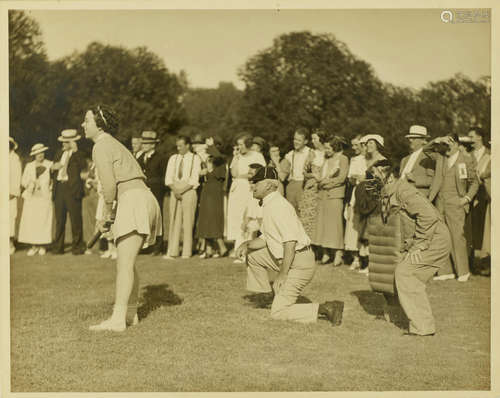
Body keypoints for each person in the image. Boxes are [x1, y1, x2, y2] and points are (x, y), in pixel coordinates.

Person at [83, 105, 162, 332]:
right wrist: (113, 214)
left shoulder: (100, 146)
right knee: (127, 261)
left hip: (134, 199)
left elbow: (108, 186)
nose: (83, 125)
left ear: (100, 124)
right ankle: (129, 314)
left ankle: (118, 320)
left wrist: (106, 214)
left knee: (124, 263)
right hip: (143, 198)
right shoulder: (115, 144)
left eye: (87, 121)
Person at [236, 166, 344, 325]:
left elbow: (290, 243)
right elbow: (266, 238)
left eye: (256, 182)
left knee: (278, 313)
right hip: (290, 258)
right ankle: (268, 295)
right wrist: (247, 244)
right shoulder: (269, 203)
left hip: (299, 263)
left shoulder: (278, 206)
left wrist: (282, 274)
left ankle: (327, 308)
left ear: (268, 185)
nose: (252, 185)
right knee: (253, 255)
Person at [370, 159, 451, 336]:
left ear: (390, 176)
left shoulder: (404, 190)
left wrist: (420, 244)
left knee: (407, 274)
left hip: (434, 239)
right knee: (396, 270)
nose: (373, 179)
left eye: (376, 175)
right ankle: (397, 315)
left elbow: (428, 216)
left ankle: (423, 327)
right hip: (419, 239)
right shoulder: (388, 191)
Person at [425, 134, 479, 282]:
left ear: (456, 144)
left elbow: (475, 182)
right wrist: (437, 140)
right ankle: (445, 271)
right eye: (445, 144)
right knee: (441, 237)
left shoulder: (465, 160)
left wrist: (466, 198)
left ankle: (463, 272)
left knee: (457, 237)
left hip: (456, 202)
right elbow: (426, 150)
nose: (446, 147)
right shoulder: (441, 157)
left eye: (449, 144)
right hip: (439, 202)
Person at [227, 134, 266, 258]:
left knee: (249, 217)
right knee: (237, 217)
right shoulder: (237, 157)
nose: (239, 147)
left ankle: (250, 246)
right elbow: (234, 173)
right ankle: (237, 246)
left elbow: (260, 172)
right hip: (237, 190)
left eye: (241, 145)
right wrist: (236, 158)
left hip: (250, 189)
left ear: (248, 145)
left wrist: (245, 177)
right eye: (237, 144)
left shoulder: (257, 156)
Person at [312, 136, 349, 266]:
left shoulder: (343, 159)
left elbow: (342, 178)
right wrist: (320, 180)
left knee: (335, 226)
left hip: (334, 195)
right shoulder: (325, 160)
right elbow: (319, 176)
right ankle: (326, 252)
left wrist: (328, 182)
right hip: (322, 195)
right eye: (326, 148)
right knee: (324, 225)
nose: (326, 150)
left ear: (335, 147)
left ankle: (338, 253)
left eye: (328, 148)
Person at [163, 135, 201, 259]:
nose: (178, 148)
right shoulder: (173, 158)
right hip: (175, 190)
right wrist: (175, 190)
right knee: (174, 220)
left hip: (188, 190)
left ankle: (187, 251)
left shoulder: (195, 158)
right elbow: (168, 178)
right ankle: (172, 251)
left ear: (187, 145)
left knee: (188, 221)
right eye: (177, 146)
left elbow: (194, 179)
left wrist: (182, 190)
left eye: (181, 146)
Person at [51, 129, 88, 255]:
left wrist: (76, 151)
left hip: (73, 190)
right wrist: (53, 168)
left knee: (75, 220)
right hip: (59, 188)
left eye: (66, 142)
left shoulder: (79, 154)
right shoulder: (58, 153)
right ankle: (58, 247)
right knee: (60, 220)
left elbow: (84, 166)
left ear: (72, 142)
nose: (63, 144)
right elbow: (53, 167)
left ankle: (77, 247)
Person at [18, 143, 54, 256]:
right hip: (32, 197)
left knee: (43, 221)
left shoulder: (49, 164)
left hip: (44, 198)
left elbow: (53, 181)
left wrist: (47, 186)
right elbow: (23, 181)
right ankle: (33, 246)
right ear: (34, 154)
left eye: (42, 152)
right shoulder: (29, 166)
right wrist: (31, 183)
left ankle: (42, 246)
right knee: (32, 221)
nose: (40, 155)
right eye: (38, 153)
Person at [137, 131, 167, 255]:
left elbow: (163, 177)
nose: (143, 145)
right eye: (143, 143)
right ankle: (146, 245)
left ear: (153, 145)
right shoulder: (139, 157)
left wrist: (149, 182)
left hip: (156, 192)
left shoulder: (161, 158)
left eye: (146, 143)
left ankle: (158, 246)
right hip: (143, 192)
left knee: (157, 217)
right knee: (144, 218)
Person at [196, 154, 228, 258]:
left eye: (209, 162)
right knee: (206, 220)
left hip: (213, 196)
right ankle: (209, 249)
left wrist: (208, 171)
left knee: (213, 219)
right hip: (206, 195)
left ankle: (222, 247)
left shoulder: (219, 170)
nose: (207, 164)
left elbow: (221, 161)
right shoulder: (207, 173)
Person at [298, 129, 325, 249]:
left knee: (320, 217)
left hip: (323, 188)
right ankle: (307, 246)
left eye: (315, 139)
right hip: (311, 188)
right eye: (312, 139)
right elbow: (304, 172)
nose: (313, 141)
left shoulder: (329, 153)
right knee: (307, 216)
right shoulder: (312, 154)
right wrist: (313, 175)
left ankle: (321, 248)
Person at [344, 134, 367, 270]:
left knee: (363, 228)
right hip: (355, 194)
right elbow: (351, 180)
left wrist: (362, 177)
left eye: (356, 145)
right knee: (353, 228)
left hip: (367, 195)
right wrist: (354, 178)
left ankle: (365, 258)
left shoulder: (371, 159)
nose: (354, 148)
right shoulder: (354, 160)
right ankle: (356, 258)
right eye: (353, 145)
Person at [468, 127, 491, 259]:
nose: (469, 140)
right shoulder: (467, 155)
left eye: (471, 137)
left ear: (479, 137)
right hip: (470, 196)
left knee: (484, 227)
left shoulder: (490, 154)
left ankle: (484, 258)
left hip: (485, 196)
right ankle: (473, 257)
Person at [400, 125, 436, 199]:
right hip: (402, 199)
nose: (410, 140)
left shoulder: (428, 158)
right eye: (409, 138)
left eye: (414, 138)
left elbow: (432, 180)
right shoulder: (404, 160)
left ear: (423, 140)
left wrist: (415, 178)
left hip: (419, 200)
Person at [284, 128, 311, 213]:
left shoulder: (310, 153)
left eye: (299, 140)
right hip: (292, 184)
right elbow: (282, 169)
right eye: (295, 139)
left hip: (303, 184)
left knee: (303, 211)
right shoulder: (290, 154)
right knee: (290, 212)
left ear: (305, 141)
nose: (295, 142)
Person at [9, 137, 22, 255]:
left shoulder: (14, 158)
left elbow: (17, 177)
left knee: (10, 218)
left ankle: (10, 244)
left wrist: (12, 192)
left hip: (10, 195)